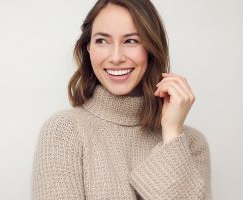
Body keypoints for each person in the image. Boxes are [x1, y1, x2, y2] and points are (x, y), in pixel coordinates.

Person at [32, 0, 212, 199]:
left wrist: (171, 134)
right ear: (88, 48)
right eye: (102, 40)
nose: (116, 57)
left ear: (151, 48)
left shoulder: (191, 143)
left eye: (131, 41)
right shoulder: (63, 131)